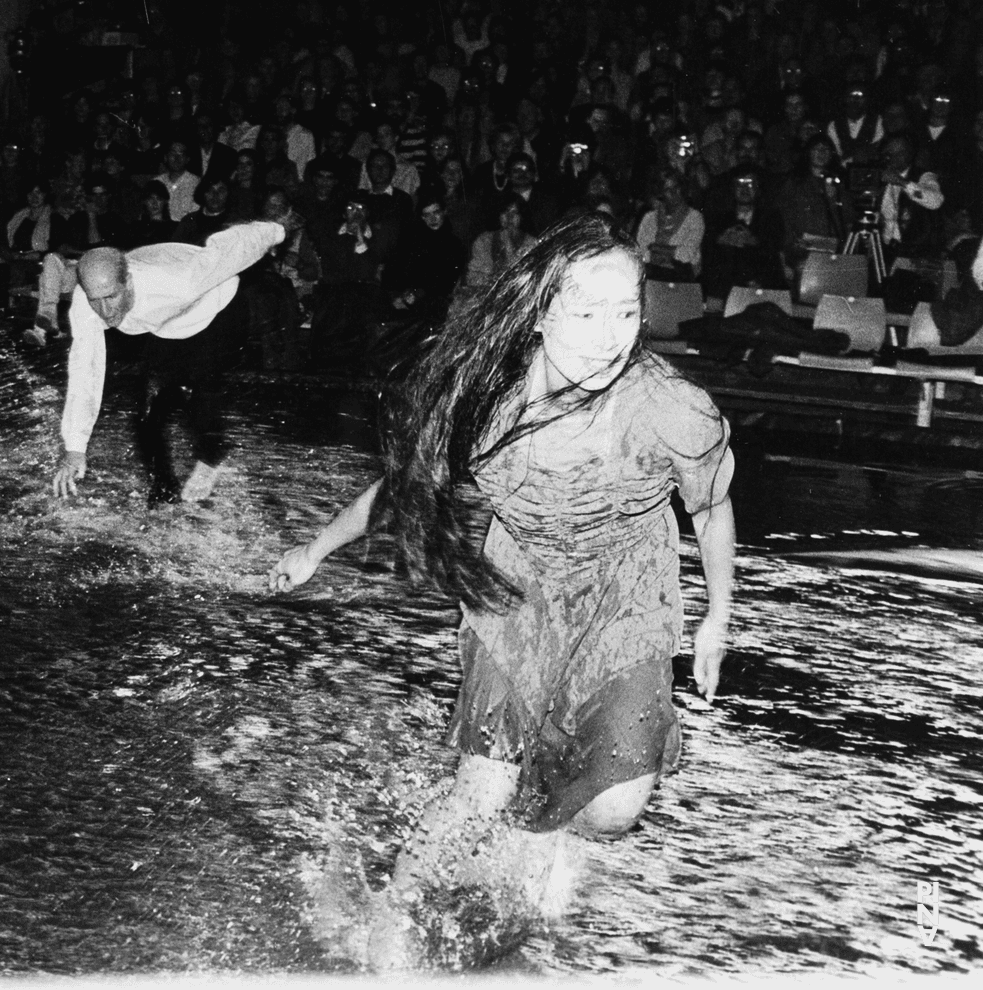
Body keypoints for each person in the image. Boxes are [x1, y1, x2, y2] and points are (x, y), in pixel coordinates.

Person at [267, 213, 735, 968]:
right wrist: (316, 547)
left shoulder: (671, 408)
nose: (610, 337)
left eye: (626, 313)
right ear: (540, 314)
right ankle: (397, 906)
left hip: (626, 598)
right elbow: (404, 488)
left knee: (615, 810)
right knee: (483, 789)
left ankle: (535, 840)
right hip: (518, 595)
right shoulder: (486, 405)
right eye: (587, 313)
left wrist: (718, 615)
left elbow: (711, 507)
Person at [51, 201, 292, 506]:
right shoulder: (86, 303)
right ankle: (164, 489)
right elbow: (85, 369)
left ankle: (210, 457)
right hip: (167, 324)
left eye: (111, 297)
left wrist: (276, 229)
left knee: (199, 385)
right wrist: (75, 447)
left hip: (218, 305)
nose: (104, 310)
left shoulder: (180, 282)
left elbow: (233, 245)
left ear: (129, 283)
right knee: (147, 408)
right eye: (95, 299)